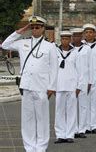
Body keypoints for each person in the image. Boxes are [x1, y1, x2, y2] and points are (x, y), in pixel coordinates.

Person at [2, 16, 58, 152]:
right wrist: (22, 30)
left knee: (42, 119)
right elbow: (4, 45)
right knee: (27, 120)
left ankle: (41, 147)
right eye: (32, 27)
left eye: (37, 27)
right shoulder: (23, 43)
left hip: (42, 87)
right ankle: (29, 147)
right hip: (26, 86)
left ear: (43, 29)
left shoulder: (50, 47)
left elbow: (54, 68)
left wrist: (52, 87)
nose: (34, 29)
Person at [54, 31, 80, 144]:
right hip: (59, 85)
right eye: (63, 38)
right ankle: (60, 135)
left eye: (67, 38)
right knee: (59, 112)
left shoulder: (75, 52)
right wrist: (52, 86)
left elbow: (80, 70)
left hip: (72, 86)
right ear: (60, 39)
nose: (65, 40)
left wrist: (79, 86)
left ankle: (70, 135)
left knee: (71, 111)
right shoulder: (55, 51)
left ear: (70, 39)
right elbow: (51, 69)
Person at [82, 23, 96, 134]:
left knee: (95, 101)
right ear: (84, 34)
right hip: (84, 77)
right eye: (86, 32)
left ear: (94, 34)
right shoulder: (80, 46)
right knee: (84, 102)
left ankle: (94, 125)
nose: (89, 34)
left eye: (91, 32)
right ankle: (85, 126)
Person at [70, 28, 91, 139]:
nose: (76, 37)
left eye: (78, 35)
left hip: (84, 80)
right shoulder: (68, 49)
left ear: (82, 36)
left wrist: (90, 82)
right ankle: (73, 129)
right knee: (72, 106)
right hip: (71, 81)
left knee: (83, 106)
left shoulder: (87, 49)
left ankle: (82, 129)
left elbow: (90, 66)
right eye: (74, 36)